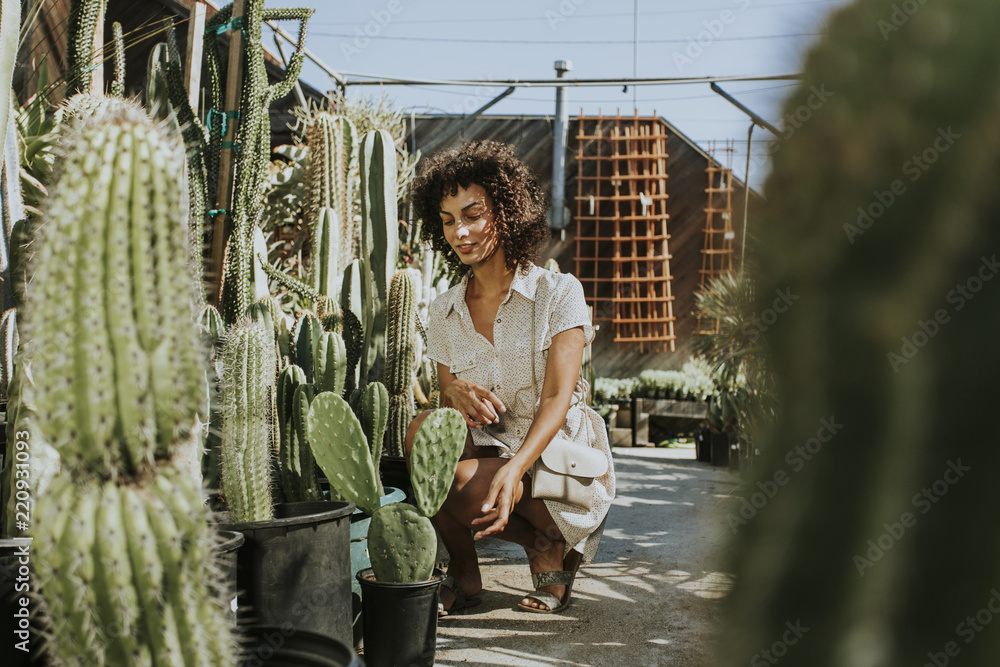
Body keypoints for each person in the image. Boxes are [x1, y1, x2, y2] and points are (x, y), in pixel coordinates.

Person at [406, 140, 615, 615]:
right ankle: (464, 570)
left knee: (465, 477)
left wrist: (518, 465)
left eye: (473, 214)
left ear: (506, 210)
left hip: (555, 462)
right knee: (423, 433)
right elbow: (445, 395)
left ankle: (547, 544)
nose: (460, 231)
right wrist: (453, 390)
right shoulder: (444, 311)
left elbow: (559, 396)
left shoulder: (558, 291)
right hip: (489, 452)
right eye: (448, 220)